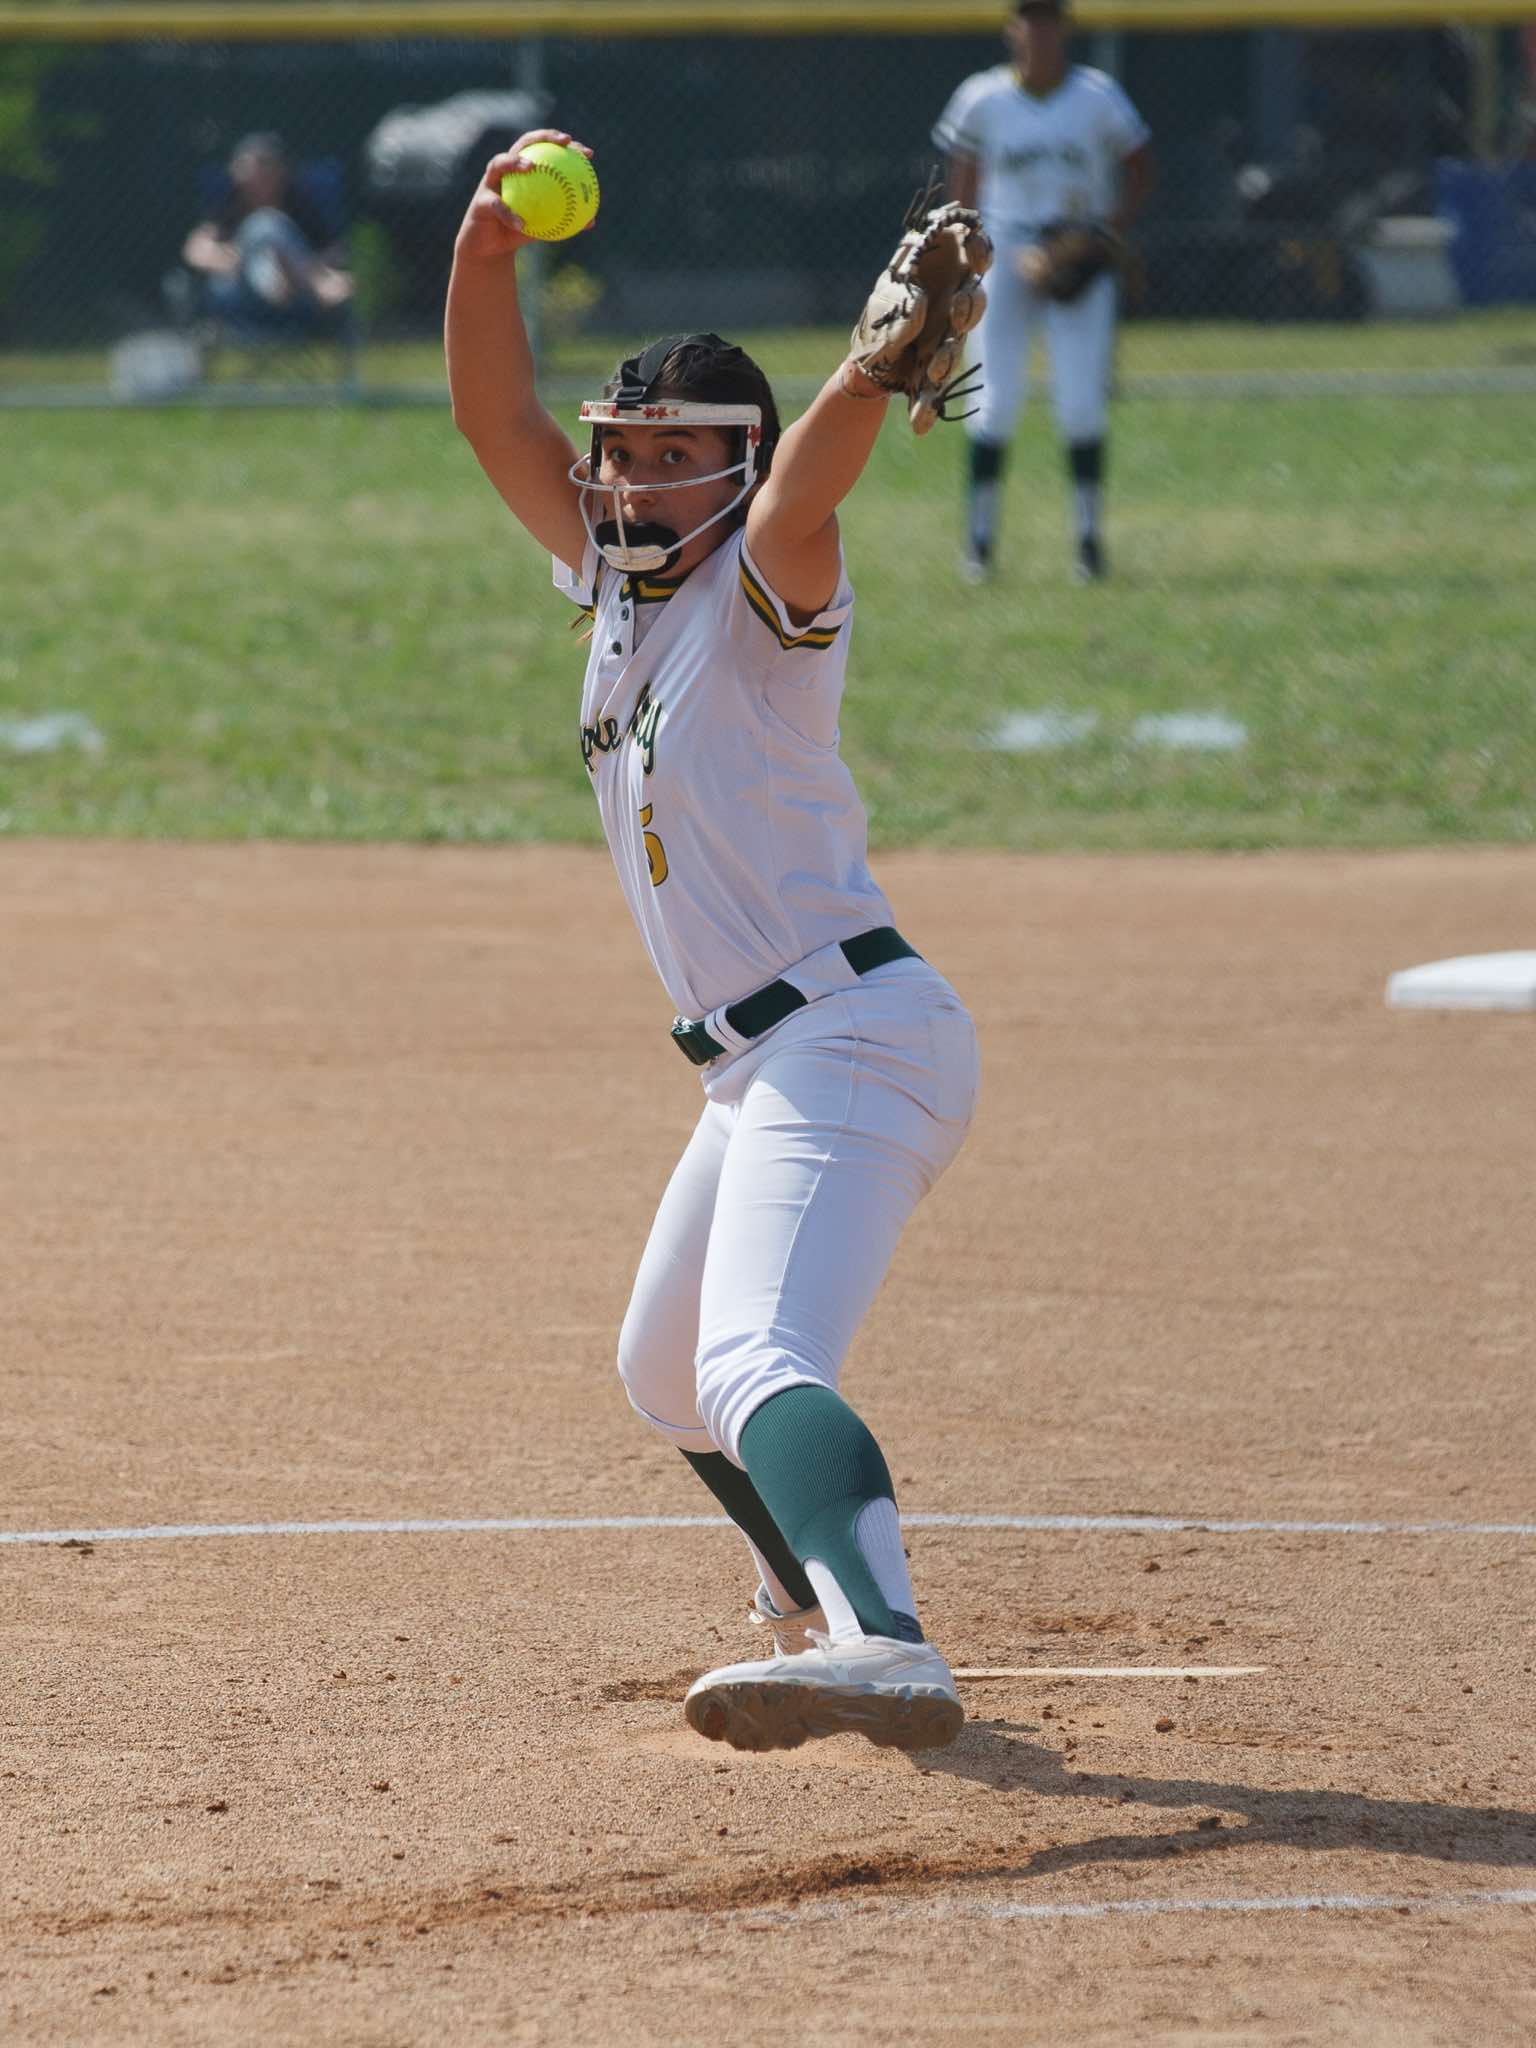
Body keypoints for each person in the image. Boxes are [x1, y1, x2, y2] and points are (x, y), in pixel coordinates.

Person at [446, 130, 982, 1755]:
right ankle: (813, 1590)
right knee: (667, 1369)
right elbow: (496, 420)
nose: (628, 481)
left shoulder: (767, 579)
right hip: (756, 1066)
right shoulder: (619, 593)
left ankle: (885, 1640)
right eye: (621, 453)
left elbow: (810, 479)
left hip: (855, 1034)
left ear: (734, 473)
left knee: (755, 1352)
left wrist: (869, 371)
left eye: (673, 454)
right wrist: (480, 248)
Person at [934, 0, 1156, 583]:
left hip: (1076, 250)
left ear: (1064, 28)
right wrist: (967, 256)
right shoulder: (982, 96)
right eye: (1028, 18)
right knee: (993, 401)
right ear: (1012, 29)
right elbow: (962, 184)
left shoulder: (1096, 95)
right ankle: (979, 546)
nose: (1038, 30)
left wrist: (1102, 237)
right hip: (1004, 251)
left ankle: (1088, 543)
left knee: (1081, 403)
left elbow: (1141, 166)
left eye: (1048, 18)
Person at [180, 132, 354, 342]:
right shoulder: (228, 201)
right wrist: (242, 257)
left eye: (265, 165)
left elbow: (336, 250)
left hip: (297, 292)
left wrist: (296, 263)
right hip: (242, 287)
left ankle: (276, 281)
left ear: (281, 170)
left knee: (269, 227)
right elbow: (196, 251)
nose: (254, 175)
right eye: (246, 166)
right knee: (264, 224)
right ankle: (292, 282)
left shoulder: (301, 202)